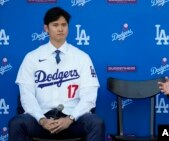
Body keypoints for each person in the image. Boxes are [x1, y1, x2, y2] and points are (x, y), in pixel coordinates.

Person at [8, 7, 105, 141]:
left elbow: (89, 97)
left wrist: (70, 119)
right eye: (55, 25)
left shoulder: (82, 57)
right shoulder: (32, 57)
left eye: (64, 25)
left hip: (72, 121)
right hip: (41, 121)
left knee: (96, 123)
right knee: (16, 123)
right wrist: (42, 120)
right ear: (46, 28)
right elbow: (26, 96)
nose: (60, 29)